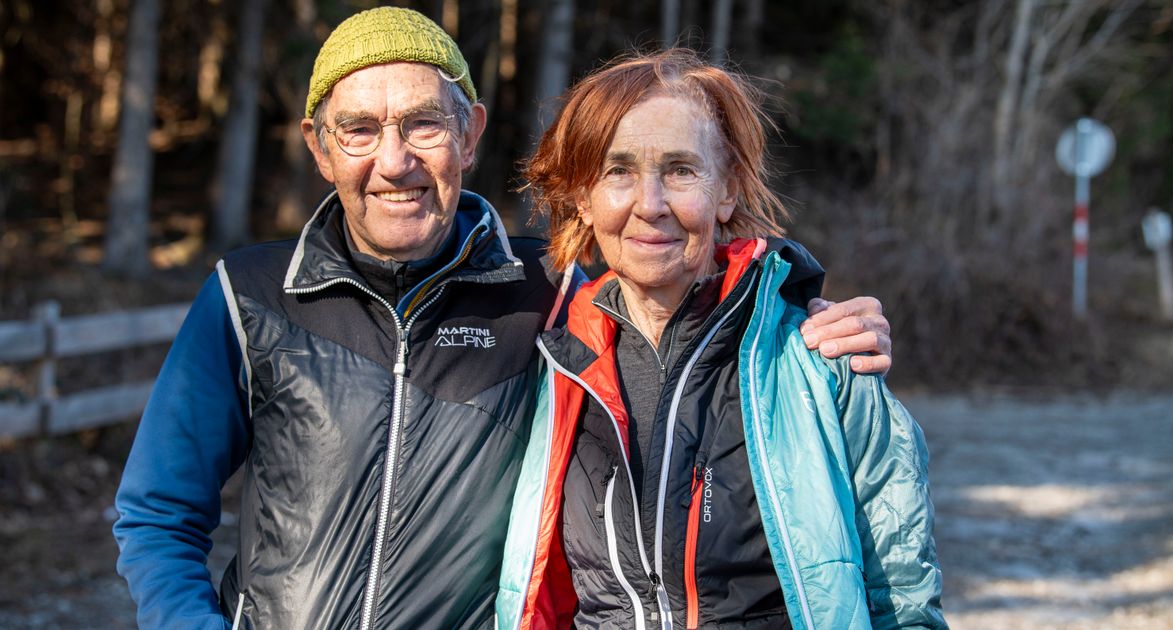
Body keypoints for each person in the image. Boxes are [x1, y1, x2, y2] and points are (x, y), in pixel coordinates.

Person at [112, 8, 895, 629]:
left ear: (470, 135)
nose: (395, 161)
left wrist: (800, 323)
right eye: (359, 130)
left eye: (424, 123)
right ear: (320, 147)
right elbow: (157, 513)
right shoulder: (249, 297)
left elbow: (672, 282)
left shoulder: (550, 294)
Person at [496, 49, 945, 629]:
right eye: (618, 171)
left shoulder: (824, 363)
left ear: (727, 191)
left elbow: (904, 600)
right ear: (583, 198)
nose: (650, 205)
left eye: (681, 170)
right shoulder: (551, 369)